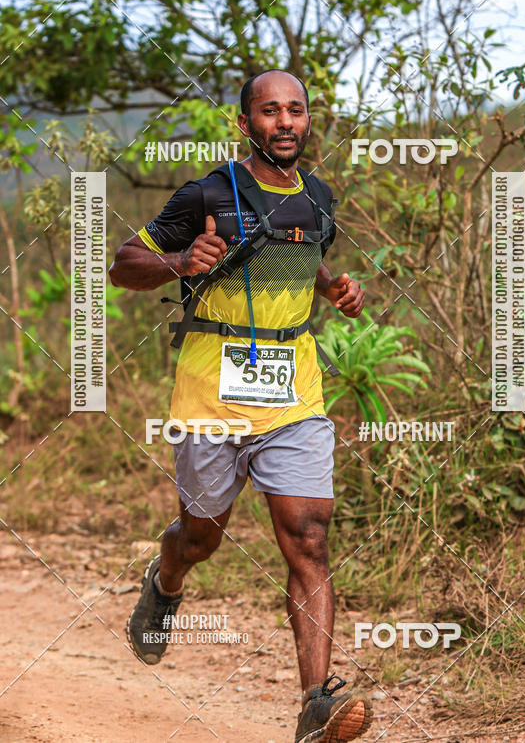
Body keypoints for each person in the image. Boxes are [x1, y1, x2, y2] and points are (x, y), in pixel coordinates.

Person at [109, 69, 371, 742]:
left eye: (296, 111)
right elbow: (123, 262)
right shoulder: (205, 193)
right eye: (270, 111)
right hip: (210, 393)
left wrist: (334, 288)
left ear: (307, 120)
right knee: (202, 537)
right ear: (245, 122)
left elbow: (300, 256)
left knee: (308, 538)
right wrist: (180, 264)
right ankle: (165, 582)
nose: (285, 122)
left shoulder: (317, 197)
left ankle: (317, 701)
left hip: (294, 390)